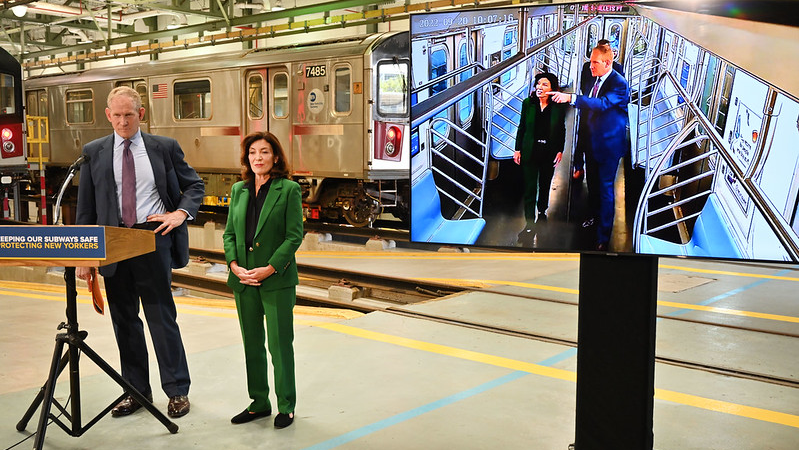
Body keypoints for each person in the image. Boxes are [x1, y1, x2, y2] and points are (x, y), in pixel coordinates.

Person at [76, 86, 204, 418]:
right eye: (116, 115)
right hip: (113, 243)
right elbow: (86, 209)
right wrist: (84, 258)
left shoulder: (164, 148)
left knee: (161, 317)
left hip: (152, 239)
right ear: (108, 115)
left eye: (128, 115)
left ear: (141, 114)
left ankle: (177, 390)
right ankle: (135, 392)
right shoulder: (94, 152)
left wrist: (180, 213)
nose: (122, 122)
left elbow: (194, 185)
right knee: (124, 321)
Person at [223, 131, 303, 429]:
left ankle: (286, 405)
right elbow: (230, 233)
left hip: (275, 280)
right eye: (253, 152)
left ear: (276, 156)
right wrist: (233, 265)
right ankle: (259, 402)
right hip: (243, 280)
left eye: (264, 152)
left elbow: (294, 236)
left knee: (280, 345)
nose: (258, 158)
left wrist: (269, 268)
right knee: (252, 345)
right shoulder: (239, 190)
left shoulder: (289, 189)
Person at [551, 44, 630, 251]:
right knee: (594, 187)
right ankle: (595, 219)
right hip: (593, 143)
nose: (591, 66)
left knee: (605, 190)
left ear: (607, 62)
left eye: (595, 62)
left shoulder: (618, 84)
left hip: (608, 147)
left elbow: (602, 104)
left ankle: (603, 237)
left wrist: (572, 98)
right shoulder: (596, 80)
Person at [513, 72, 566, 244]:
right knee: (529, 188)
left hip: (549, 152)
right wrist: (517, 149)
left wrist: (560, 150)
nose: (539, 87)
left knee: (545, 184)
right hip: (530, 150)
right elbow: (522, 128)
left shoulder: (558, 106)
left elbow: (561, 129)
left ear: (552, 89)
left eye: (544, 85)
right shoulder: (528, 103)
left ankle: (542, 211)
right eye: (538, 84)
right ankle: (529, 222)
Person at [572, 39, 624, 181]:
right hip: (588, 108)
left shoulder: (617, 69)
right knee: (582, 139)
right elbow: (584, 84)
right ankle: (578, 166)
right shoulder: (587, 67)